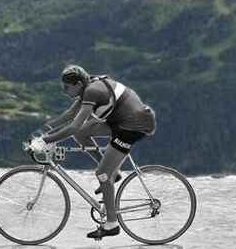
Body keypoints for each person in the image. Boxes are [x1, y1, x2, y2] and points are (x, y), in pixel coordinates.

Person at [28, 64, 157, 240]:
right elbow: (69, 115)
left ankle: (111, 224)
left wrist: (45, 141)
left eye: (67, 87)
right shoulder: (88, 87)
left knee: (103, 173)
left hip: (133, 126)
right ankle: (114, 173)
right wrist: (44, 130)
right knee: (83, 134)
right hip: (120, 121)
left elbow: (73, 126)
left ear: (79, 84)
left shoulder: (92, 91)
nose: (64, 90)